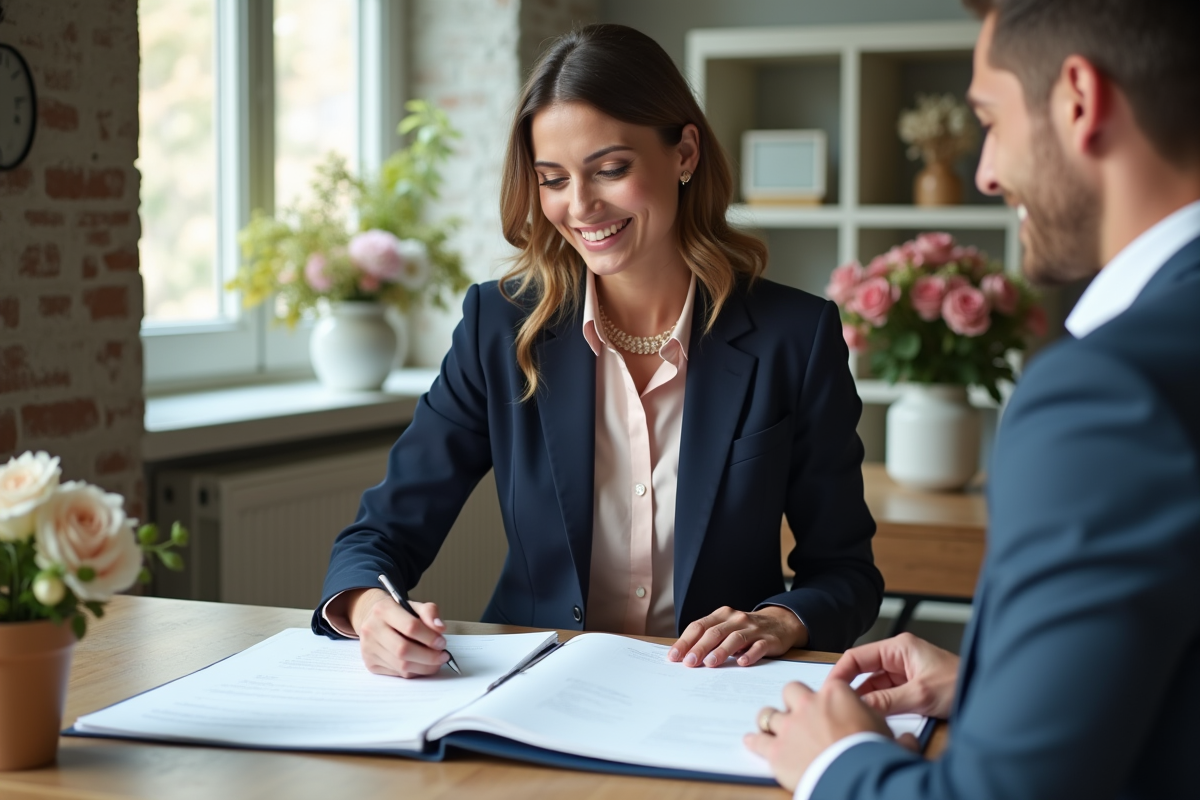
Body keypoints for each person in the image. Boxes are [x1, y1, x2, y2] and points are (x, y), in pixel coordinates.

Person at [311, 24, 883, 678]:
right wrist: (365, 609)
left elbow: (845, 572)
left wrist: (781, 619)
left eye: (611, 169)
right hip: (536, 688)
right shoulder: (499, 326)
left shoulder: (795, 337)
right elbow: (380, 533)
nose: (580, 207)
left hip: (713, 695)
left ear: (685, 152)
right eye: (553, 179)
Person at [744, 1, 1200, 798]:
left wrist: (835, 762)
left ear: (1079, 102)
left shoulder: (1105, 392)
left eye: (989, 118)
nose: (986, 172)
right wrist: (1001, 685)